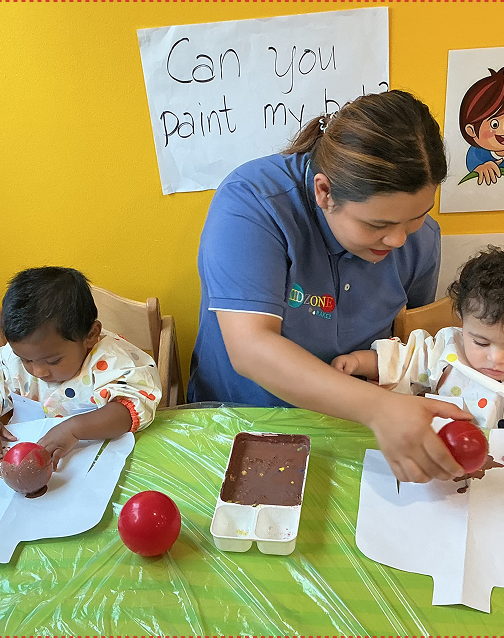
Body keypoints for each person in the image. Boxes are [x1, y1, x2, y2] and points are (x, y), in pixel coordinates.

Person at [189, 89, 473, 484]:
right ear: (324, 192)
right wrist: (380, 409)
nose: (398, 240)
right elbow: (251, 348)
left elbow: (408, 345)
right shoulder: (253, 202)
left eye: (416, 217)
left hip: (351, 426)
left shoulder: (420, 240)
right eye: (376, 225)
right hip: (240, 419)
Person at [332, 247, 504, 474]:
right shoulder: (446, 350)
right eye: (480, 342)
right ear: (462, 321)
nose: (496, 358)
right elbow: (402, 361)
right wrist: (357, 362)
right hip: (442, 463)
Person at [0, 267, 162, 469]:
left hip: (102, 462)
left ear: (91, 336)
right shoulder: (18, 355)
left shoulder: (111, 359)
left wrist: (74, 429)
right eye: (26, 360)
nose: (38, 372)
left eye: (53, 361)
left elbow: (129, 408)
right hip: (38, 461)